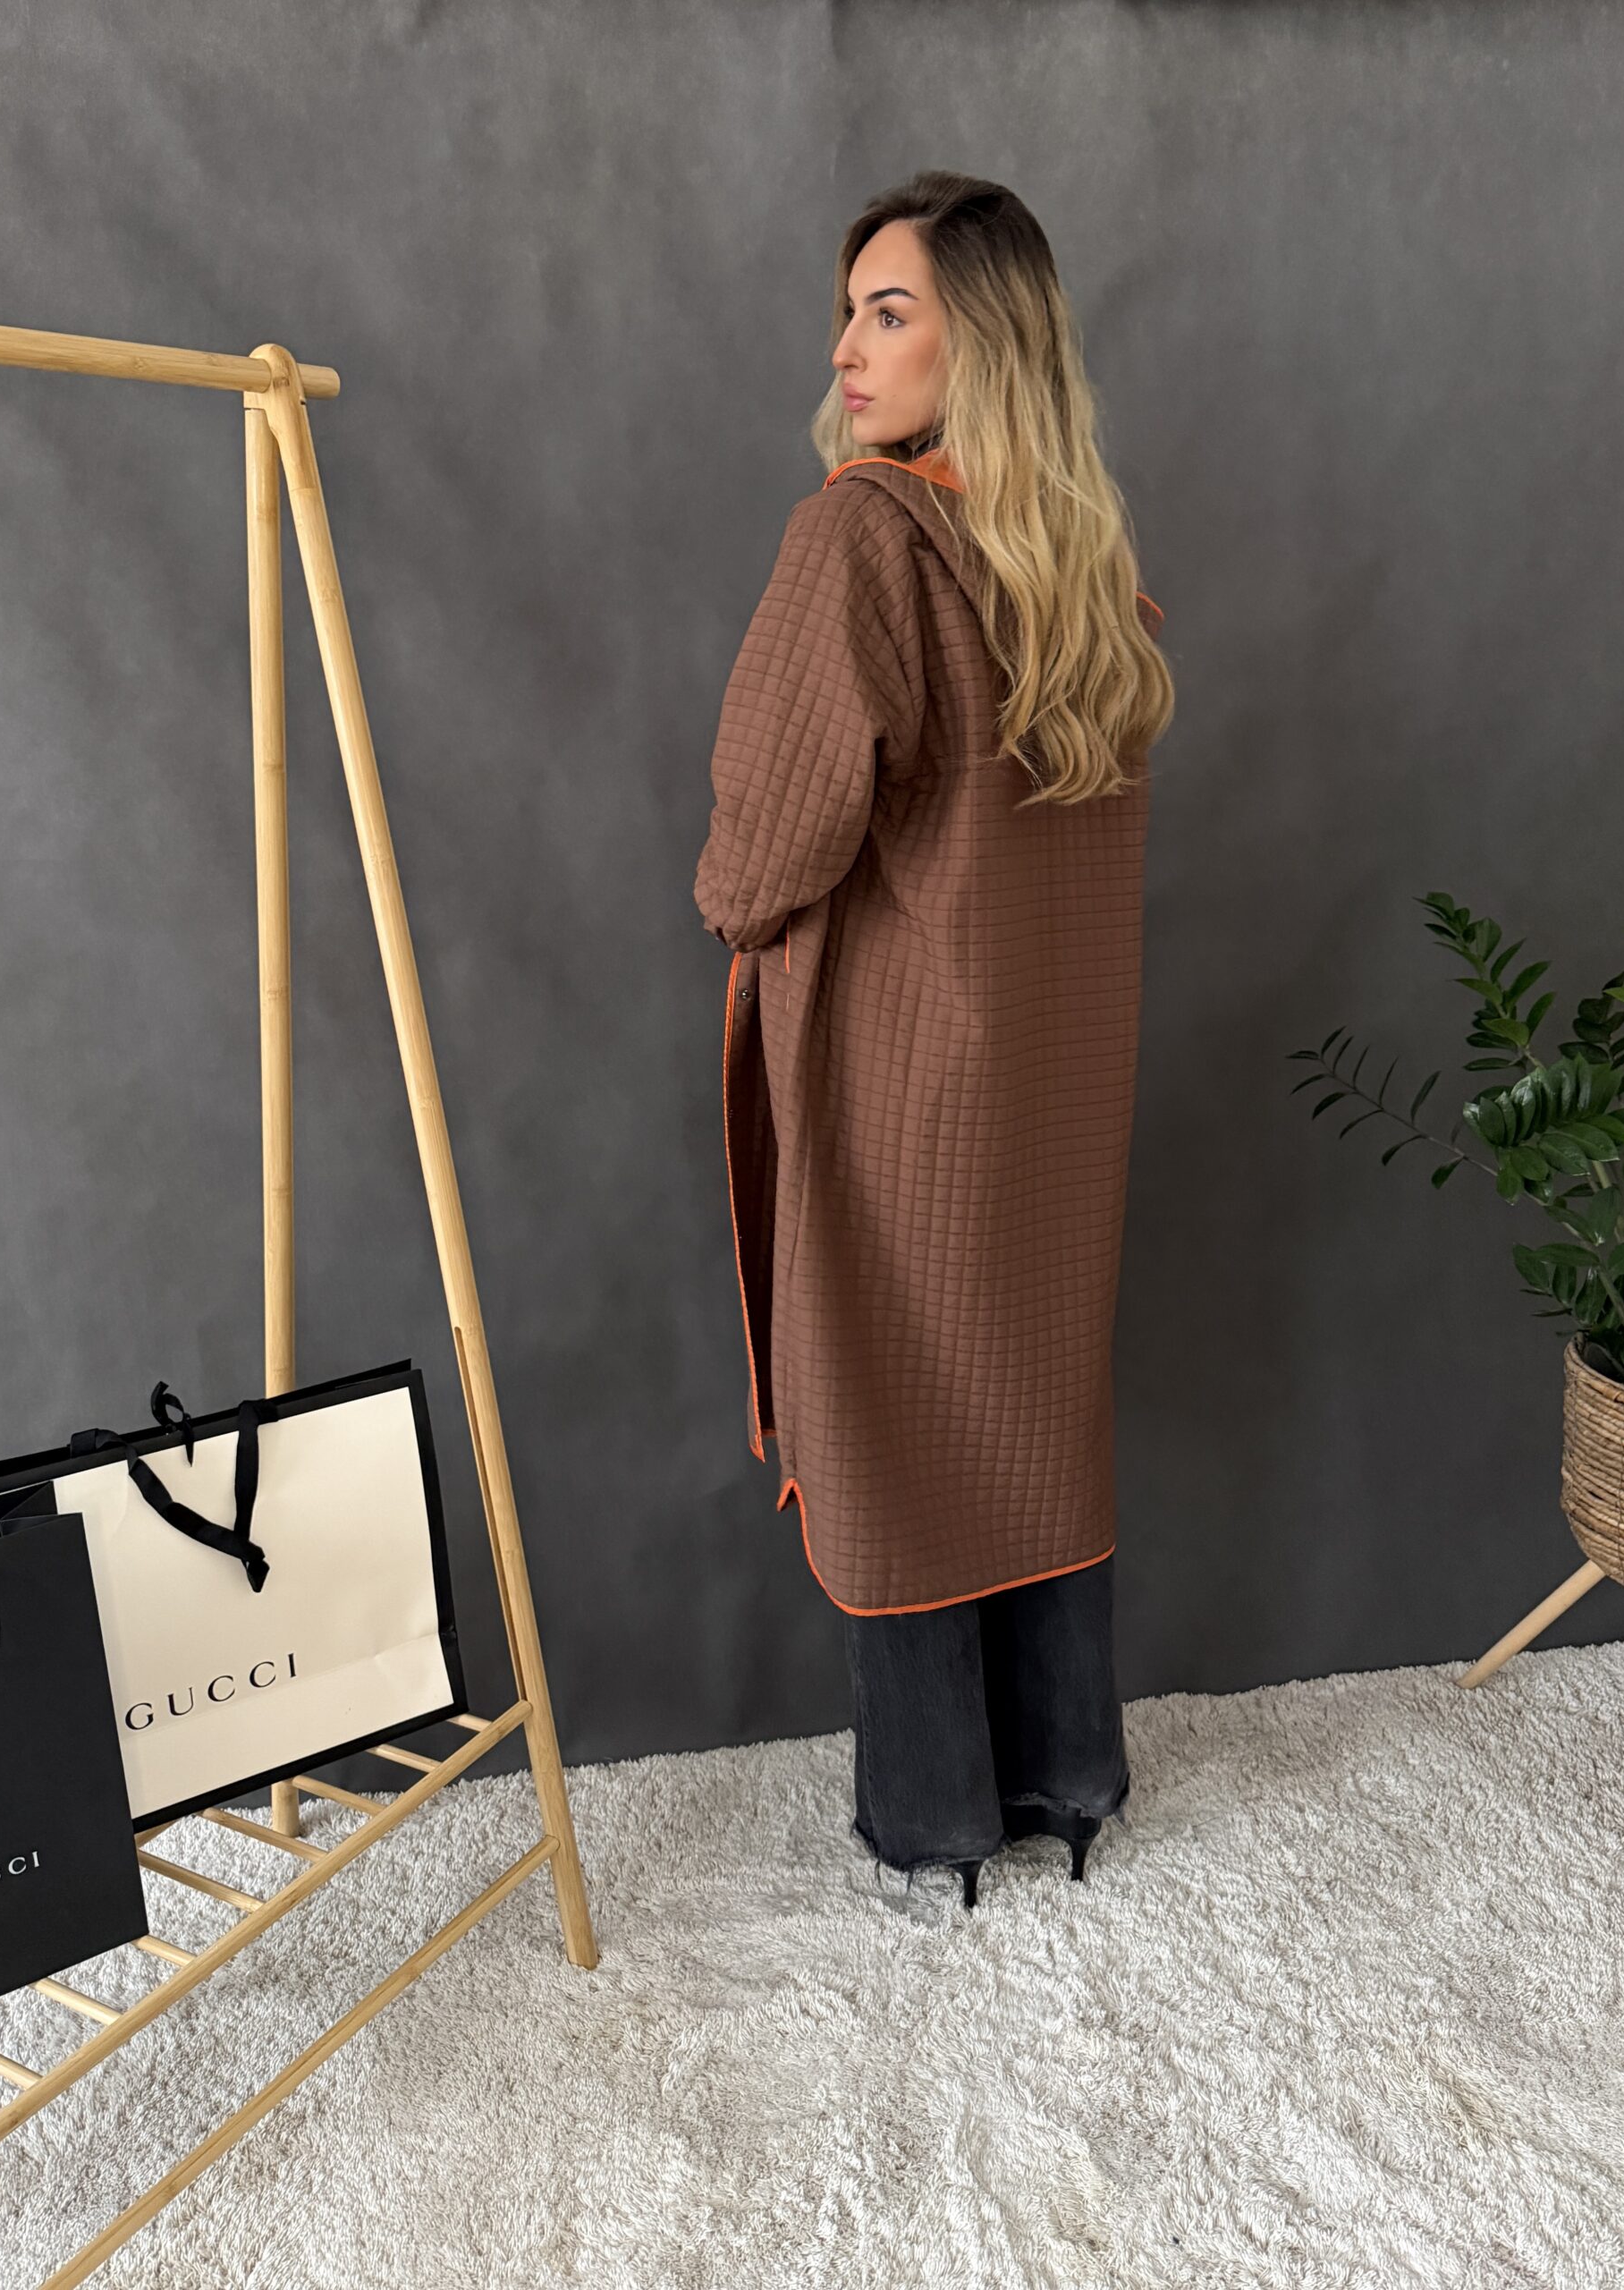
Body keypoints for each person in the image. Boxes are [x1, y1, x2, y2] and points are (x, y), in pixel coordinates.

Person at [693, 170, 1173, 1910]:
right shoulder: (1082, 563)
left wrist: (732, 904)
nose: (846, 346)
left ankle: (938, 1813)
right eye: (848, 313)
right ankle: (1067, 1775)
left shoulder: (864, 537)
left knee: (893, 1422)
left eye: (887, 311)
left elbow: (767, 843)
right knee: (1028, 1407)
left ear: (983, 341)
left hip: (902, 1079)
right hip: (1056, 1086)